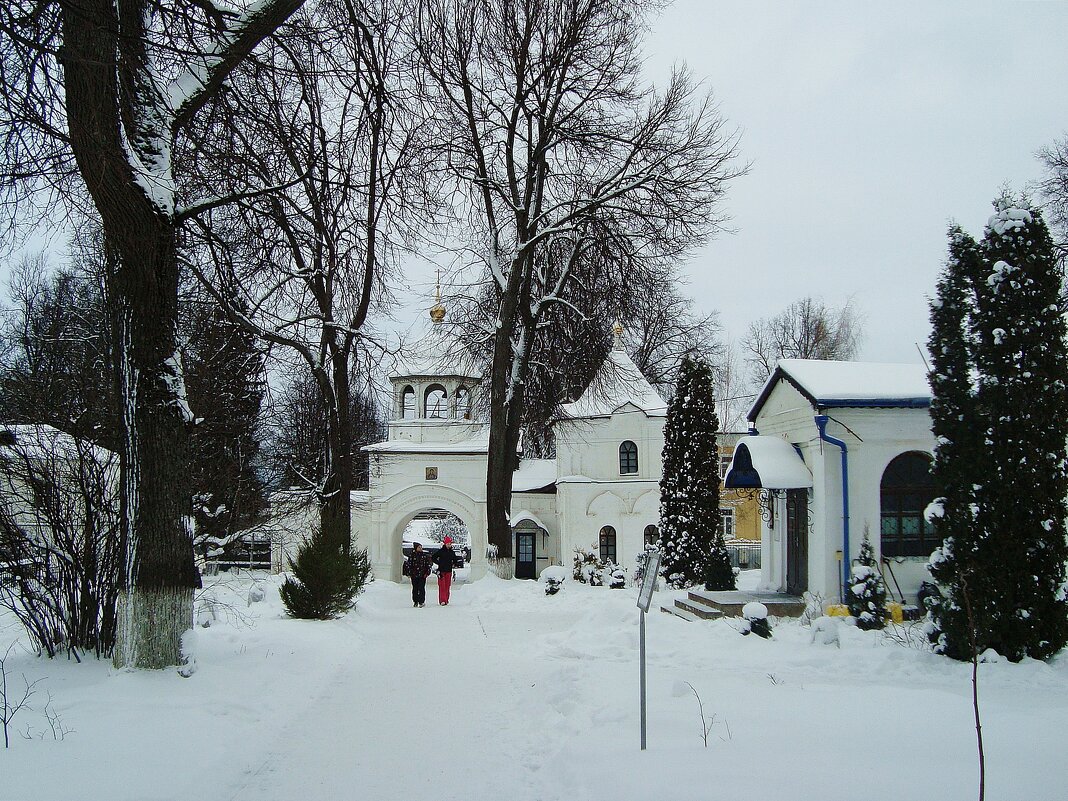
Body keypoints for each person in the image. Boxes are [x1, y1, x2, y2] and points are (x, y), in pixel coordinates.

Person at [433, 536, 461, 605]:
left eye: (450, 544)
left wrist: (455, 564)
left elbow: (455, 560)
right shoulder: (441, 551)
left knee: (447, 586)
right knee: (442, 586)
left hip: (449, 571)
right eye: (448, 543)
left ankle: (446, 599)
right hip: (441, 571)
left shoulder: (452, 552)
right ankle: (442, 600)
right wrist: (439, 563)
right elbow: (433, 557)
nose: (449, 545)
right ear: (445, 544)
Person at [408, 542, 432, 608]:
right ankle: (415, 601)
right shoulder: (412, 556)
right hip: (414, 575)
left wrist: (427, 572)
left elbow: (428, 565)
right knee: (415, 588)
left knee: (421, 588)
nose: (420, 548)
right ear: (415, 548)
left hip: (422, 575)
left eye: (421, 547)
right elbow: (409, 565)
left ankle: (421, 601)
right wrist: (410, 573)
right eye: (419, 547)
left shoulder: (424, 556)